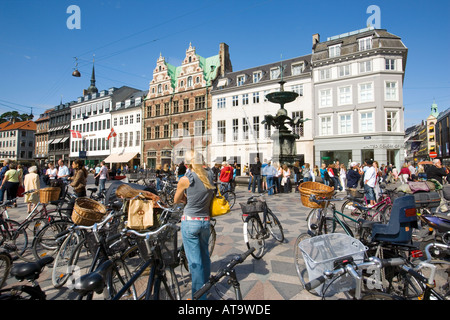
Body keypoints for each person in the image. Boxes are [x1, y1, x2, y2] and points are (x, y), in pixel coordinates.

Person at [174, 150, 215, 300]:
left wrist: (187, 199)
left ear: (187, 163)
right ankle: (206, 288)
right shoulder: (209, 175)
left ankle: (199, 297)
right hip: (205, 222)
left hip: (190, 222)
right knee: (205, 256)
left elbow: (176, 200)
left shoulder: (186, 178)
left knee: (195, 263)